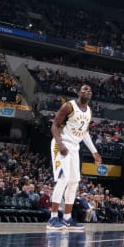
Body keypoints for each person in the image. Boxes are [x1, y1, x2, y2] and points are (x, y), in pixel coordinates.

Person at [47, 84, 102, 230]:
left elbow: (84, 133)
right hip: (62, 143)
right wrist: (61, 143)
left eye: (90, 90)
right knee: (63, 179)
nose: (87, 92)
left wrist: (94, 151)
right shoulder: (69, 106)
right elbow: (54, 125)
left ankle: (67, 218)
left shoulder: (89, 111)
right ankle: (53, 218)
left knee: (73, 183)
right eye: (84, 89)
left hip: (74, 147)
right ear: (79, 92)